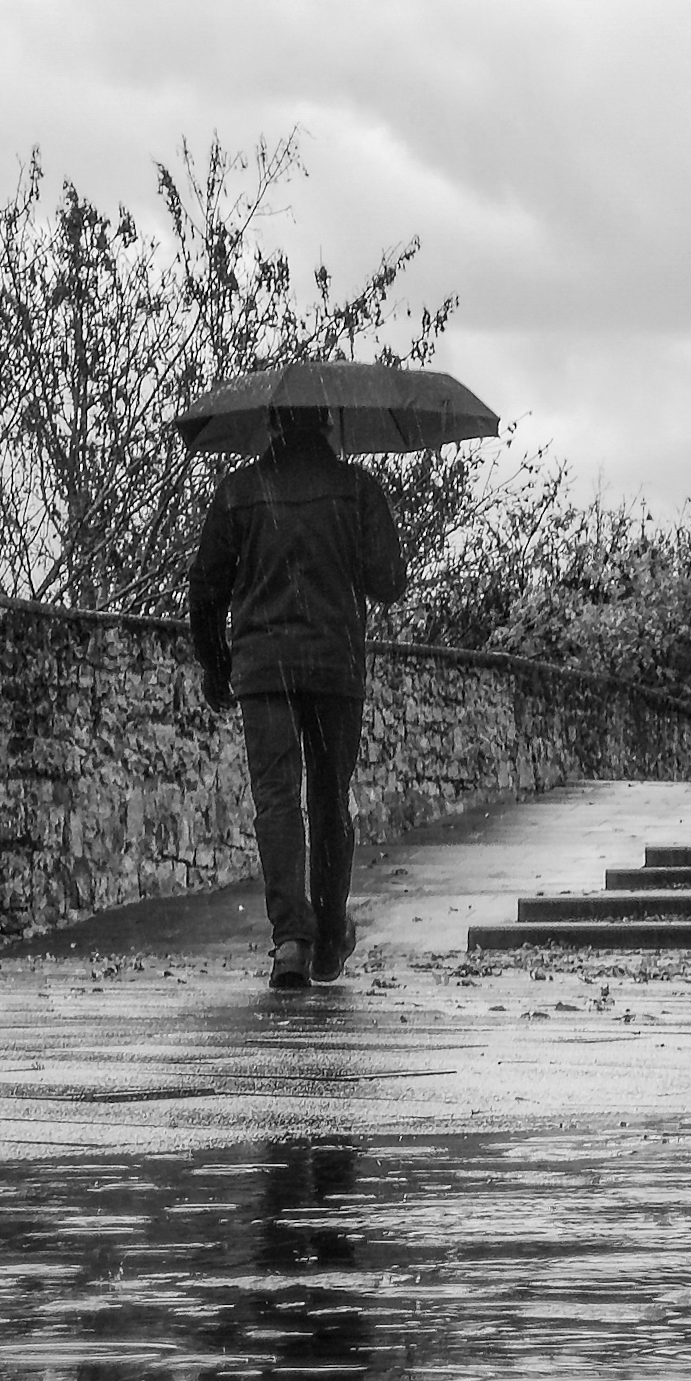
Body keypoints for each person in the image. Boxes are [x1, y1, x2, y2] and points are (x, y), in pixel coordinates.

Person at [188, 405, 407, 989]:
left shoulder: (239, 492)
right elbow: (390, 582)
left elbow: (205, 588)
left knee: (277, 800)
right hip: (336, 665)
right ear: (328, 424)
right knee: (329, 799)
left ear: (272, 426)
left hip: (265, 670)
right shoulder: (357, 490)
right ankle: (330, 934)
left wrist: (216, 664)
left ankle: (291, 939)